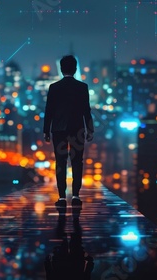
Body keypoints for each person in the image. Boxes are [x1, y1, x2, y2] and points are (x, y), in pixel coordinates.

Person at [43, 55, 94, 209]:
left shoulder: (54, 87)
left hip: (58, 129)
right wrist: (90, 129)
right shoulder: (82, 87)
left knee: (61, 162)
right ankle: (76, 195)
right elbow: (87, 110)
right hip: (77, 128)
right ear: (75, 69)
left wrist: (46, 130)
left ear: (61, 68)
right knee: (77, 161)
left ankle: (61, 197)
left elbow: (49, 111)